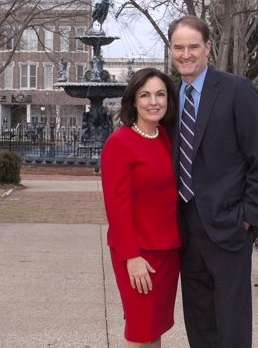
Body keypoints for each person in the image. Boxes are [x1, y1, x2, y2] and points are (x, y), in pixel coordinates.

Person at [167, 15, 258, 348]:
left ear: (208, 48)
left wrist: (247, 219)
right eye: (178, 47)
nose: (186, 54)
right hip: (184, 228)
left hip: (229, 226)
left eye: (193, 46)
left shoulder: (236, 90)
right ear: (171, 49)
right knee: (198, 319)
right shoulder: (171, 99)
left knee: (231, 322)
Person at [101, 68, 180, 348]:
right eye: (144, 95)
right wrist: (131, 257)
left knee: (154, 329)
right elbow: (116, 206)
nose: (153, 101)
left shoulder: (167, 139)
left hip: (168, 251)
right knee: (138, 332)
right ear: (133, 101)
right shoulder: (119, 143)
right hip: (137, 254)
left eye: (160, 94)